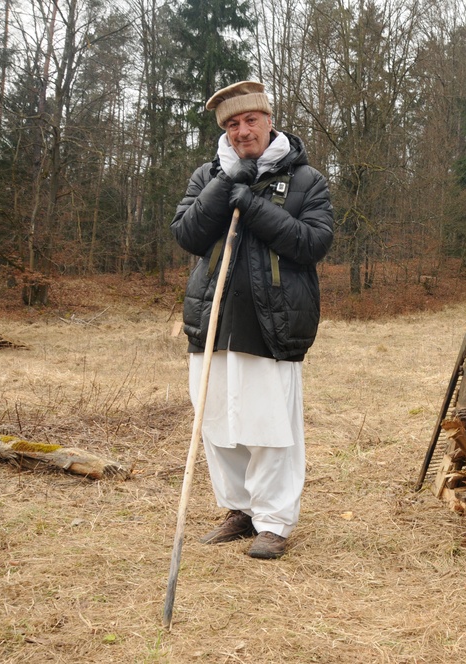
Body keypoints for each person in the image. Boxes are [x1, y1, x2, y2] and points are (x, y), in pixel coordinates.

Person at [170, 80, 333, 559]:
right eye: (233, 124)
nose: (243, 131)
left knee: (271, 426)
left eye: (251, 120)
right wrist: (226, 185)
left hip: (274, 323)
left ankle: (275, 521)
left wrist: (253, 204)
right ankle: (239, 510)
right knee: (218, 421)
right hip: (214, 319)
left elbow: (311, 244)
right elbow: (188, 234)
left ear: (268, 120)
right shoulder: (207, 175)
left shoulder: (307, 181)